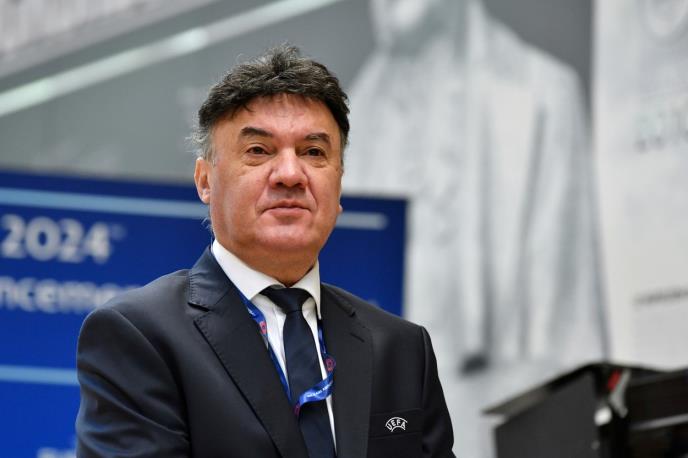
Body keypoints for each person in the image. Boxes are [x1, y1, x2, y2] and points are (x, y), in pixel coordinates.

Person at [74, 44, 455, 458]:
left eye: (313, 152)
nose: (290, 174)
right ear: (205, 181)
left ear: (339, 184)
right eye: (258, 150)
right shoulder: (141, 335)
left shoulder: (401, 348)